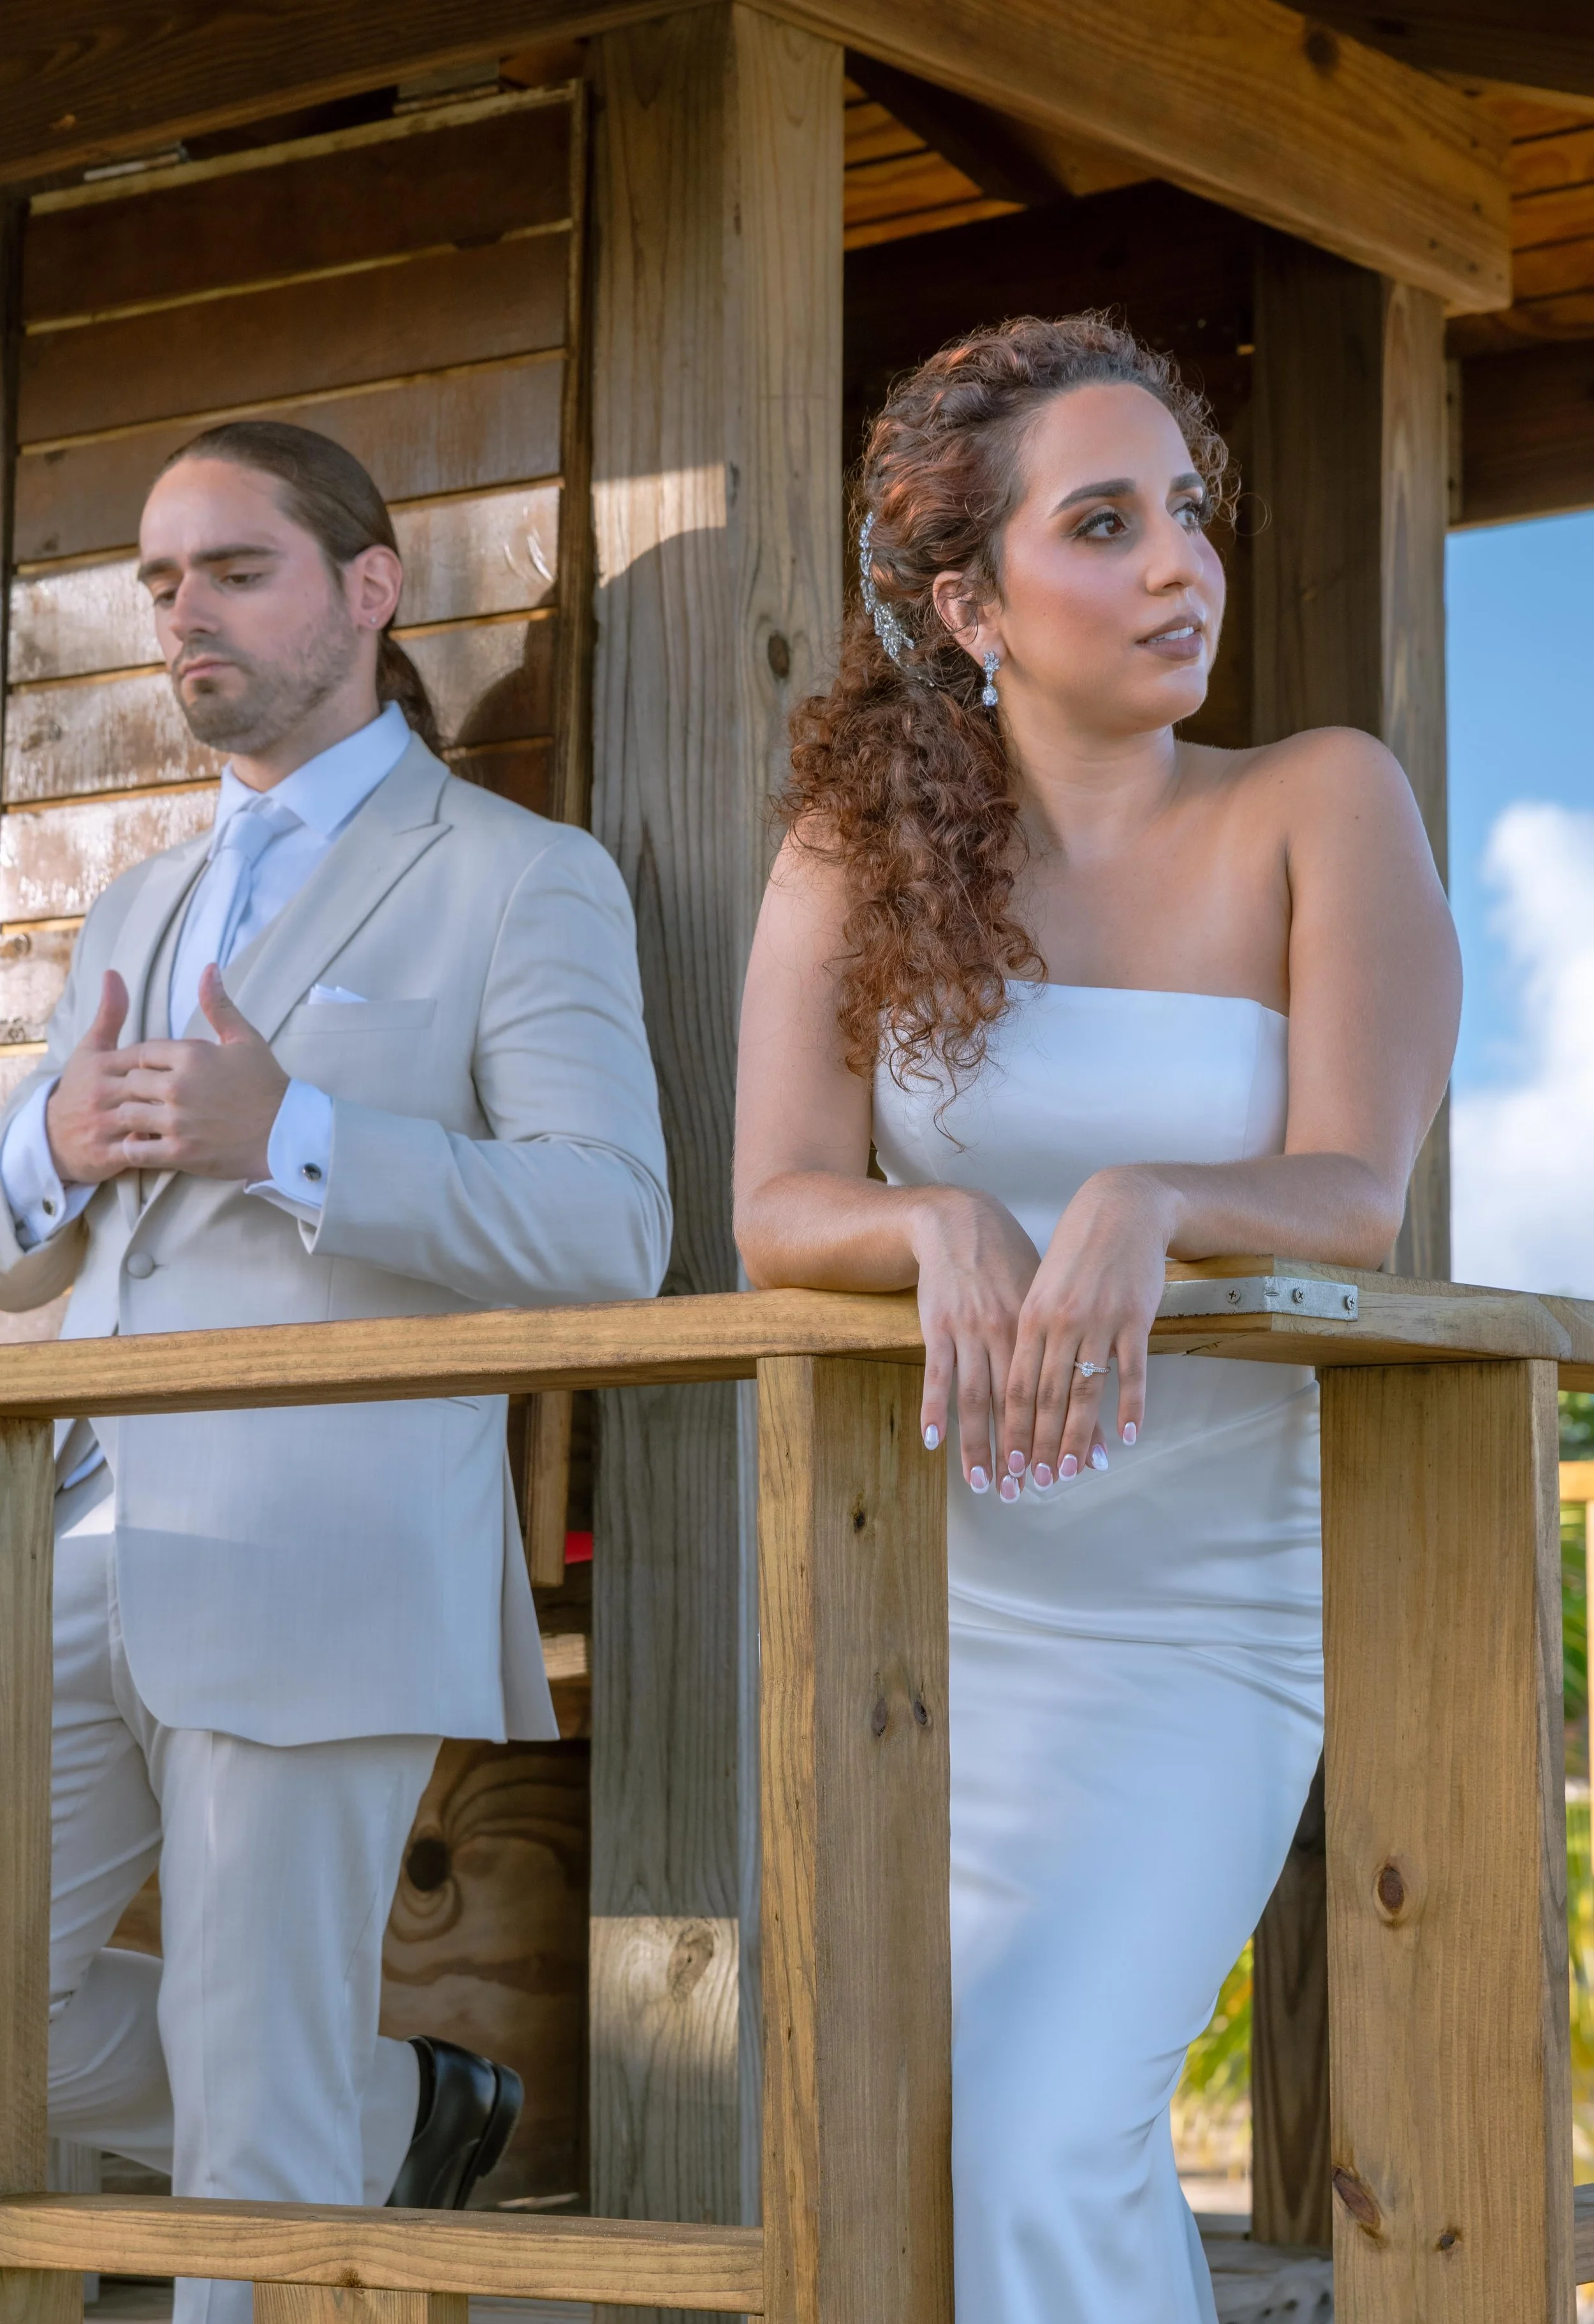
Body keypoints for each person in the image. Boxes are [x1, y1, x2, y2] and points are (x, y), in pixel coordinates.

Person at [734, 316, 1459, 2321]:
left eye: (1188, 514)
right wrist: (934, 1218)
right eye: (1105, 522)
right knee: (928, 2145)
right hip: (929, 1609)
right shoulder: (856, 858)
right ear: (966, 604)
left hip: (1197, 1607)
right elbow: (775, 1205)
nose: (1178, 566)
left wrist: (1148, 1197)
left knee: (1042, 2128)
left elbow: (1355, 1188)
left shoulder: (1320, 799)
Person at [0, 421, 670, 2322]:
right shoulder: (138, 902)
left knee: (255, 2129)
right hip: (70, 1536)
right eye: (158, 582)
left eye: (235, 569)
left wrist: (290, 1135)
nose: (182, 614)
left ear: (370, 588)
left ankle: (330, 2124)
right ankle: (399, 2112)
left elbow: (612, 1224)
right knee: (152, 2063)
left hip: (324, 1553)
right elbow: (38, 1243)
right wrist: (51, 1148)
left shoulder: (521, 880)